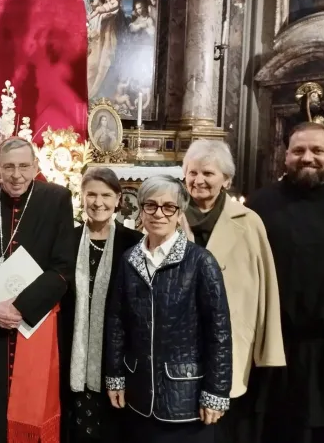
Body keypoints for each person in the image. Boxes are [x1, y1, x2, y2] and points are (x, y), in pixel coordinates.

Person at [0, 137, 76, 443]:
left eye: (24, 166)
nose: (16, 175)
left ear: (36, 167)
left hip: (34, 324)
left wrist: (19, 307)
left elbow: (62, 267)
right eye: (9, 167)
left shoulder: (57, 199)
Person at [105, 175, 232, 443]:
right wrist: (115, 375)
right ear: (141, 210)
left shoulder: (200, 262)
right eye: (150, 205)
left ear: (179, 212)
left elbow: (219, 331)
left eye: (168, 207)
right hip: (139, 392)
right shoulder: (130, 260)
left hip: (185, 396)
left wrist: (216, 391)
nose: (158, 213)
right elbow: (117, 322)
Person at [181, 139, 285, 443]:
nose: (198, 180)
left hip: (231, 339)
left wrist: (268, 346)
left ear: (226, 179)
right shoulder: (167, 215)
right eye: (192, 172)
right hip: (179, 340)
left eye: (208, 174)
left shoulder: (249, 222)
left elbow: (266, 286)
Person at [246, 122, 324, 443]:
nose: (307, 157)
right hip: (276, 351)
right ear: (285, 156)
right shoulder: (260, 205)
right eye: (298, 150)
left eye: (318, 150)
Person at [60, 167, 142, 442]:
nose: (98, 202)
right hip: (72, 350)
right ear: (81, 197)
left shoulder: (134, 244)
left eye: (106, 195)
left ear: (119, 199)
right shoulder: (66, 241)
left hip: (116, 354)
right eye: (91, 194)